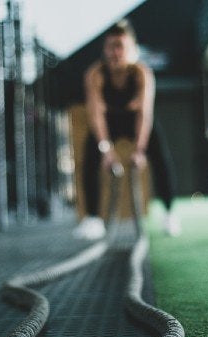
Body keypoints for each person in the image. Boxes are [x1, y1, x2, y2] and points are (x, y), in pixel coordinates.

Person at [73, 19, 180, 240]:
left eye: (120, 46)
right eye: (110, 47)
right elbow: (96, 115)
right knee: (89, 155)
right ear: (105, 50)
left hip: (135, 122)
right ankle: (93, 219)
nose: (115, 53)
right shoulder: (95, 75)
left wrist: (139, 151)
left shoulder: (142, 74)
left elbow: (144, 114)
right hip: (109, 122)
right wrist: (106, 151)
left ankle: (169, 213)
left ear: (132, 49)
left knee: (160, 156)